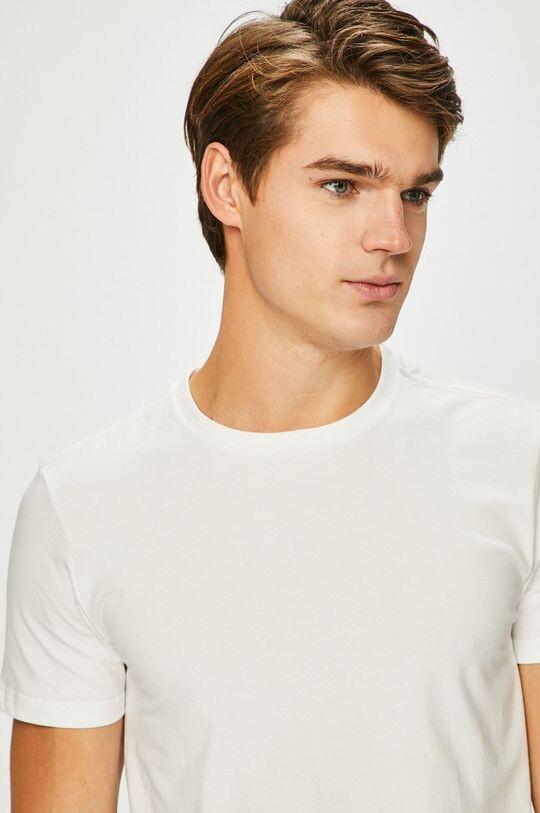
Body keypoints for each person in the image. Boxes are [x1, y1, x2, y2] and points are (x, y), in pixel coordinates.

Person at [1, 0, 539, 810]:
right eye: (341, 185)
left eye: (415, 194)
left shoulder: (515, 463)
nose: (393, 236)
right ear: (227, 186)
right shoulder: (82, 507)